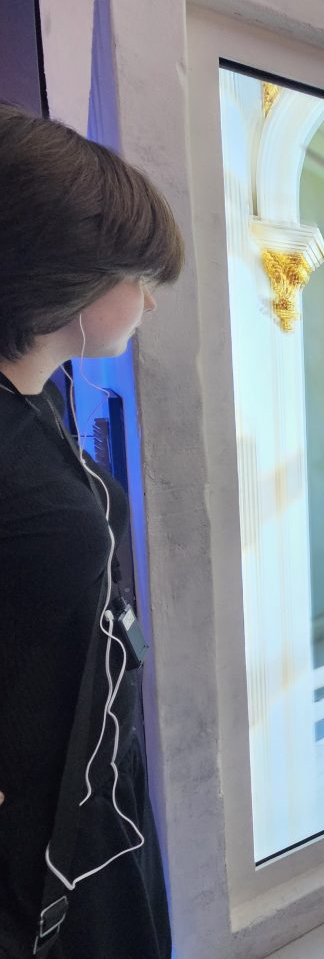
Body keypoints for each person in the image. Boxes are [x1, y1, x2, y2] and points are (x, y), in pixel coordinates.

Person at [0, 105, 183, 957]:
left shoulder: (44, 394)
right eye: (137, 276)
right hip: (35, 835)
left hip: (91, 782)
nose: (149, 300)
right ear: (65, 270)